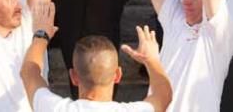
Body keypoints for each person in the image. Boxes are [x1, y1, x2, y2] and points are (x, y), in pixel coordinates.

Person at [21, 6, 174, 112]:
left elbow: (29, 71)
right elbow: (164, 94)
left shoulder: (54, 108)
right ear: (118, 75)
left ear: (73, 76)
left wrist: (41, 34)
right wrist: (152, 60)